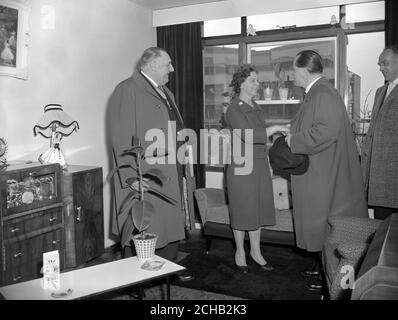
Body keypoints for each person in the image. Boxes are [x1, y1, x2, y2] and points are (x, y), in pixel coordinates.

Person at [109, 47, 195, 281]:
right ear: (153, 64)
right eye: (168, 64)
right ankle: (133, 278)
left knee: (169, 223)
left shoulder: (165, 91)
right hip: (144, 174)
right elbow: (121, 137)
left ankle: (167, 268)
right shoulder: (127, 89)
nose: (172, 69)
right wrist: (131, 178)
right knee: (143, 226)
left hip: (169, 169)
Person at [285, 50, 368, 290]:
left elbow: (325, 132)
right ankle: (327, 276)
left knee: (330, 233)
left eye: (294, 70)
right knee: (326, 232)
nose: (293, 75)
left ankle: (335, 284)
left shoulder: (322, 93)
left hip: (325, 177)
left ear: (303, 70)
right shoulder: (319, 92)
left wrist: (293, 141)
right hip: (322, 173)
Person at [225, 65, 289, 273]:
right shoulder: (234, 108)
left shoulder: (256, 106)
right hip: (241, 167)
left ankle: (256, 252)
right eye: (253, 80)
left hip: (259, 164)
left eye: (257, 80)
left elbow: (261, 140)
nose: (257, 84)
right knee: (242, 209)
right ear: (241, 82)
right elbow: (250, 135)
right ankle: (239, 252)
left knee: (257, 209)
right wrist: (276, 128)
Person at [361, 45, 398, 220]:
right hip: (379, 178)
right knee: (381, 229)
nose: (381, 68)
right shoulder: (380, 92)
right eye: (379, 64)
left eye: (385, 63)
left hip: (394, 176)